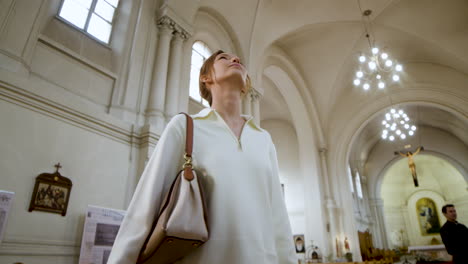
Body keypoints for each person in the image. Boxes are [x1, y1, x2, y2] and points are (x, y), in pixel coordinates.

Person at [107, 50, 297, 263]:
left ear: (245, 85)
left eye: (238, 60)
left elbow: (279, 217)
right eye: (224, 58)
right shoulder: (186, 127)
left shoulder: (263, 139)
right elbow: (145, 205)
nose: (235, 59)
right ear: (205, 78)